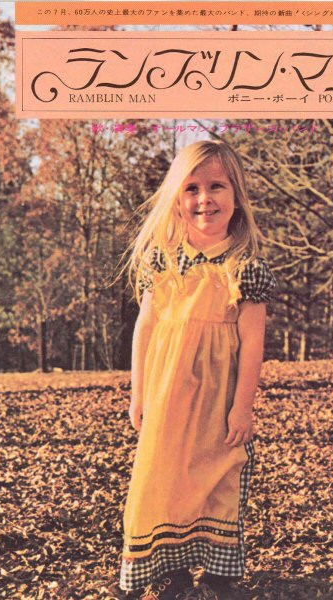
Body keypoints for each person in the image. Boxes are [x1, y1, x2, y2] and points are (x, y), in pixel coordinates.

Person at [109, 141, 276, 600]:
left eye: (217, 186)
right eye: (192, 188)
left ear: (236, 196)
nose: (205, 199)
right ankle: (170, 568)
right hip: (167, 395)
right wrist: (139, 393)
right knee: (161, 479)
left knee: (218, 475)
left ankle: (219, 575)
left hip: (219, 397)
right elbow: (145, 328)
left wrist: (243, 408)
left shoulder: (244, 267)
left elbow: (253, 344)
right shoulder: (162, 260)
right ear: (177, 198)